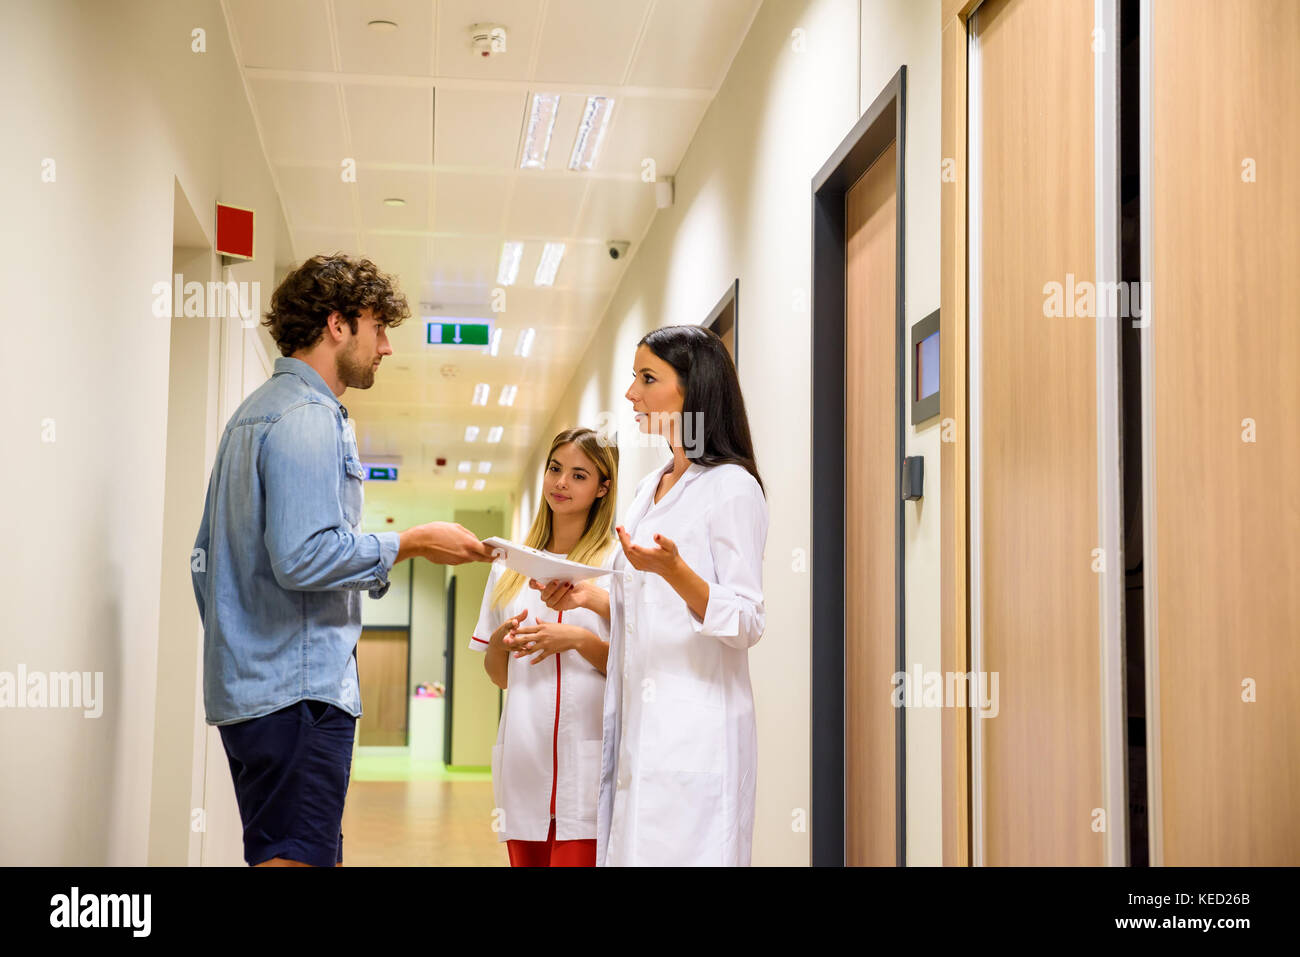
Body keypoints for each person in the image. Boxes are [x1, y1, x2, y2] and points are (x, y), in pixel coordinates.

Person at [191, 253, 495, 867]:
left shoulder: (251, 416)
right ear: (337, 324)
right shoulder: (308, 417)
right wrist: (409, 542)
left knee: (281, 852)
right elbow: (302, 559)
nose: (385, 347)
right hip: (297, 696)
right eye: (378, 327)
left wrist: (243, 645)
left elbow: (203, 564)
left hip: (256, 691)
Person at [578, 324, 768, 866]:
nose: (630, 394)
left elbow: (747, 622)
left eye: (647, 378)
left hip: (696, 733)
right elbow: (645, 615)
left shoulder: (731, 486)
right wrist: (587, 597)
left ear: (694, 389)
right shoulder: (647, 490)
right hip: (641, 729)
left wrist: (677, 571)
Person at [470, 428, 619, 867]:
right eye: (556, 469)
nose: (561, 483)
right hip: (524, 756)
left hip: (588, 764)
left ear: (602, 488)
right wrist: (500, 643)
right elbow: (499, 676)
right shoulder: (509, 567)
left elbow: (634, 667)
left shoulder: (615, 564)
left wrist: (577, 640)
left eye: (578, 475)